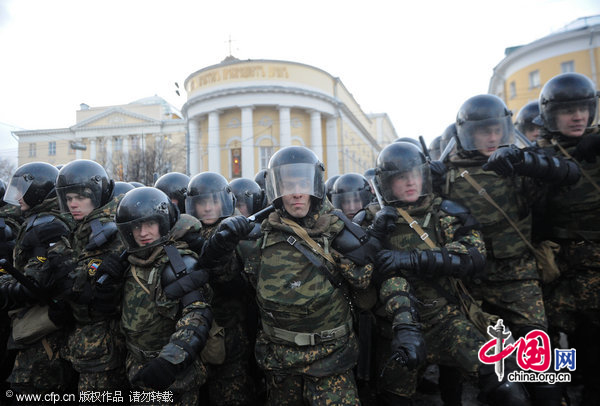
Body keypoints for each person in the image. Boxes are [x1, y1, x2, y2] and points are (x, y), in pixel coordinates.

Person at [227, 146, 422, 405]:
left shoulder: (339, 233)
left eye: (303, 183)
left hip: (332, 360)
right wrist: (217, 250)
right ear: (276, 189)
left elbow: (385, 278)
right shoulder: (255, 239)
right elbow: (228, 286)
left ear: (315, 186)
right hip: (279, 363)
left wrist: (406, 326)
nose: (296, 193)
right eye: (288, 185)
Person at [438, 94, 579, 405]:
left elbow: (564, 177)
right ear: (467, 134)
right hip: (470, 283)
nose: (491, 138)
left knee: (539, 356)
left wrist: (527, 162)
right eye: (482, 131)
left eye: (496, 130)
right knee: (471, 363)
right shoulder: (446, 175)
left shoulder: (515, 163)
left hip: (518, 275)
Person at [370, 142, 529, 405]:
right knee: (392, 398)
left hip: (445, 320)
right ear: (387, 182)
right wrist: (374, 236)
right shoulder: (374, 217)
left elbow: (472, 256)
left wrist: (413, 258)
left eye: (415, 175)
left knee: (505, 385)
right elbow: (358, 272)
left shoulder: (443, 211)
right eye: (401, 177)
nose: (410, 182)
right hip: (396, 329)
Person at [532, 72, 600, 405]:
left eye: (582, 108)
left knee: (593, 331)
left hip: (595, 259)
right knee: (559, 330)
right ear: (551, 116)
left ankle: (592, 386)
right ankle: (564, 383)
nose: (578, 116)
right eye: (567, 110)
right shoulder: (539, 154)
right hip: (556, 260)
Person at [116, 187, 212, 405]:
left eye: (150, 224)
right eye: (137, 226)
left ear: (163, 224)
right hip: (136, 369)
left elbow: (197, 316)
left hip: (172, 376)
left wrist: (170, 360)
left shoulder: (178, 263)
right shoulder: (129, 263)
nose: (143, 233)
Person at [44, 159, 128, 394]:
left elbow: (85, 288)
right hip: (81, 340)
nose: (73, 204)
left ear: (97, 195)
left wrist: (60, 255)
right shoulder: (79, 227)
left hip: (102, 344)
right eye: (68, 199)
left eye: (80, 198)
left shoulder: (107, 231)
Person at [0, 162, 75, 397]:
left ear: (38, 191)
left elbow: (35, 284)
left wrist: (4, 289)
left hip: (44, 332)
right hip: (35, 324)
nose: (17, 197)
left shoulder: (47, 226)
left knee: (32, 389)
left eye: (23, 189)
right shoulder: (39, 219)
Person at [185, 172, 257, 405]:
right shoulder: (185, 235)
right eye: (201, 203)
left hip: (230, 330)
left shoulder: (238, 233)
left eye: (213, 201)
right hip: (192, 330)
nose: (207, 208)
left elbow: (242, 285)